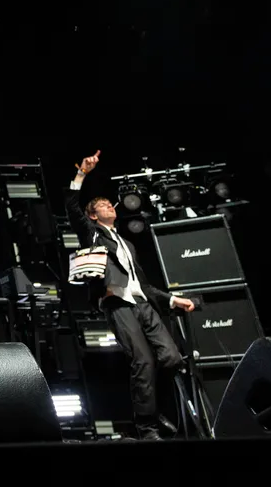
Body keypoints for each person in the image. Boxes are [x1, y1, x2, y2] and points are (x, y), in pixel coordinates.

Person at [66, 150, 195, 441]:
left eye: (108, 204)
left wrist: (172, 299)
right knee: (143, 362)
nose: (109, 207)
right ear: (93, 215)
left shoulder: (127, 244)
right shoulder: (92, 233)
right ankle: (147, 426)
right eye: (101, 206)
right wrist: (82, 173)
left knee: (171, 358)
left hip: (142, 304)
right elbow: (71, 206)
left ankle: (154, 409)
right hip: (117, 303)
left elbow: (143, 286)